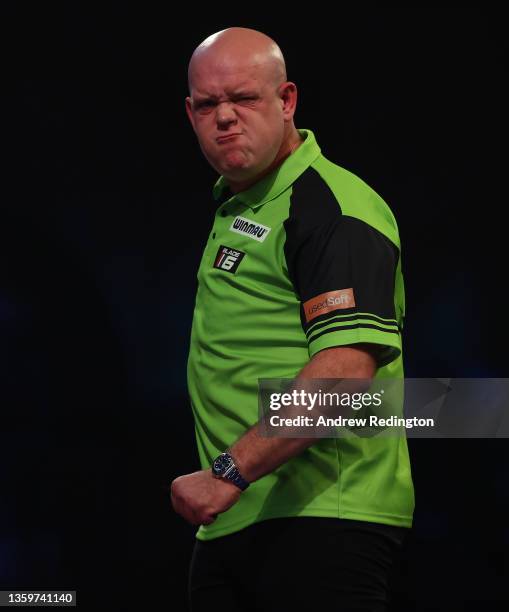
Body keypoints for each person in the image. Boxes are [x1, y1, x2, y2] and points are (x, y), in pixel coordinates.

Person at [171, 27, 414, 612]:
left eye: (245, 98)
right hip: (238, 522)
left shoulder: (330, 204)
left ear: (287, 102)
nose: (224, 116)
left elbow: (346, 373)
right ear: (189, 113)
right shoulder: (242, 207)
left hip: (323, 517)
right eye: (208, 105)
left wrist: (227, 472)